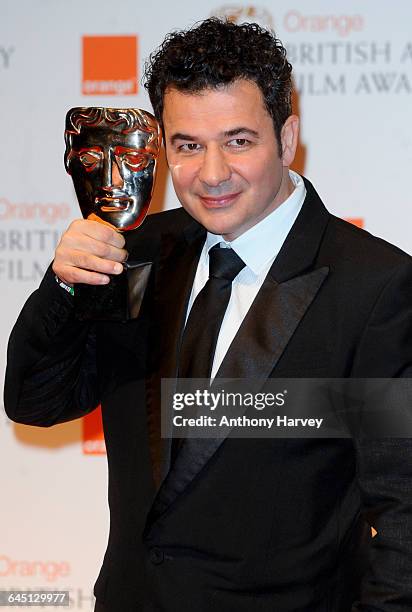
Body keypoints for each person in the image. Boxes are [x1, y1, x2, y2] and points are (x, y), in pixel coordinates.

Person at [4, 18, 412, 612]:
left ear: (288, 135)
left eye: (239, 140)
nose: (213, 173)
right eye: (188, 146)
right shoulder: (136, 255)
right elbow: (36, 402)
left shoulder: (372, 288)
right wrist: (66, 287)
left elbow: (404, 514)